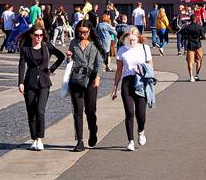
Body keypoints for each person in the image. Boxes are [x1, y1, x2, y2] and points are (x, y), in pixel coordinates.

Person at [18, 23, 64, 150]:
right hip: (30, 82)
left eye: (41, 35)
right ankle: (34, 139)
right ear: (32, 35)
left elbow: (61, 56)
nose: (39, 37)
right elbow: (21, 65)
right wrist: (20, 82)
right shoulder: (25, 48)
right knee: (31, 111)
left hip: (44, 83)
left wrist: (51, 69)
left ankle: (40, 138)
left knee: (40, 110)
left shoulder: (47, 46)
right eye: (37, 35)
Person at [110, 28, 153, 152]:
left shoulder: (145, 48)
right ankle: (130, 141)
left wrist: (141, 72)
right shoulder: (122, 50)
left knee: (141, 114)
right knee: (129, 113)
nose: (132, 41)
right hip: (127, 82)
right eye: (129, 39)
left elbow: (150, 68)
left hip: (141, 82)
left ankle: (141, 131)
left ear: (138, 37)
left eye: (134, 39)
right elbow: (119, 70)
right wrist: (114, 87)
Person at [66, 22, 102, 151]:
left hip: (91, 79)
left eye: (85, 32)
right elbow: (70, 63)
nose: (82, 35)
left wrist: (97, 77)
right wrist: (69, 58)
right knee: (77, 111)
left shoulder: (95, 44)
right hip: (77, 79)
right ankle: (79, 141)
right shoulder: (74, 43)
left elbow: (99, 63)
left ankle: (93, 130)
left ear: (90, 31)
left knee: (90, 111)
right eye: (80, 32)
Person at [179, 12, 205, 82]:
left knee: (190, 62)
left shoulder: (187, 27)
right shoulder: (200, 27)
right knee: (199, 61)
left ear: (190, 20)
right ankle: (197, 75)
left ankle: (191, 76)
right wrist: (199, 38)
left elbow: (182, 34)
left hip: (190, 45)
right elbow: (203, 37)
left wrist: (187, 37)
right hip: (198, 45)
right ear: (196, 19)